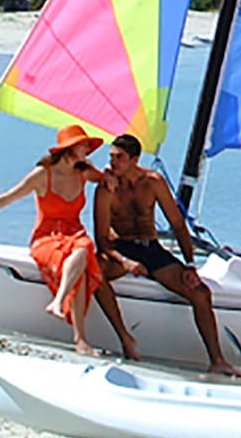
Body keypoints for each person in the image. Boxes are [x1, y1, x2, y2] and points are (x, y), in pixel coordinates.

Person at [0, 124, 139, 359]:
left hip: (75, 236)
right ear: (69, 148)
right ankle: (78, 335)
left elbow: (108, 178)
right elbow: (7, 198)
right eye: (82, 145)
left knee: (82, 250)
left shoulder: (84, 172)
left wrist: (109, 177)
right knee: (82, 255)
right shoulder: (42, 175)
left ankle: (69, 320)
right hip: (46, 239)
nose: (87, 149)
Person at [95, 133, 233, 375]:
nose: (113, 162)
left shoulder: (153, 182)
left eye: (120, 158)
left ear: (134, 159)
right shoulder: (107, 188)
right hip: (121, 248)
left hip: (150, 248)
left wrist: (190, 265)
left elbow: (178, 225)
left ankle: (217, 360)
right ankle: (126, 337)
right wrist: (126, 262)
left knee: (200, 293)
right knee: (95, 272)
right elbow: (102, 240)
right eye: (111, 157)